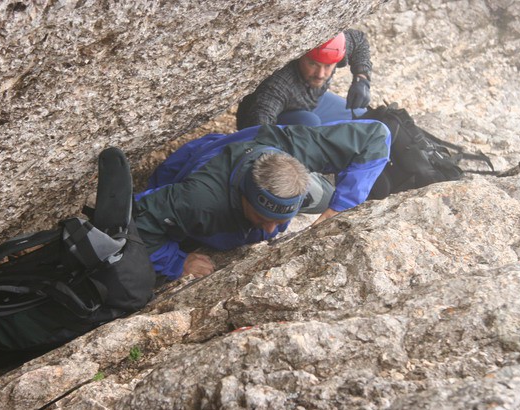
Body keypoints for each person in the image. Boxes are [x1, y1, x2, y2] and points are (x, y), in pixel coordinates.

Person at [133, 120, 391, 281]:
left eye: (281, 219)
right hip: (188, 178)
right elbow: (135, 218)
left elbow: (376, 136)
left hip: (246, 160)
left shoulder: (297, 147)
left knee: (326, 198)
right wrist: (177, 262)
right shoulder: (200, 199)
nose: (271, 230)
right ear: (244, 196)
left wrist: (340, 207)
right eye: (263, 218)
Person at [236, 29, 372, 130]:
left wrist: (362, 78)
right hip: (282, 116)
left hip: (313, 102)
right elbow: (259, 120)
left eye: (328, 66)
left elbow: (358, 40)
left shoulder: (334, 49)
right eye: (313, 64)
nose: (320, 74)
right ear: (300, 55)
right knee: (309, 123)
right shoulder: (280, 84)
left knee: (361, 115)